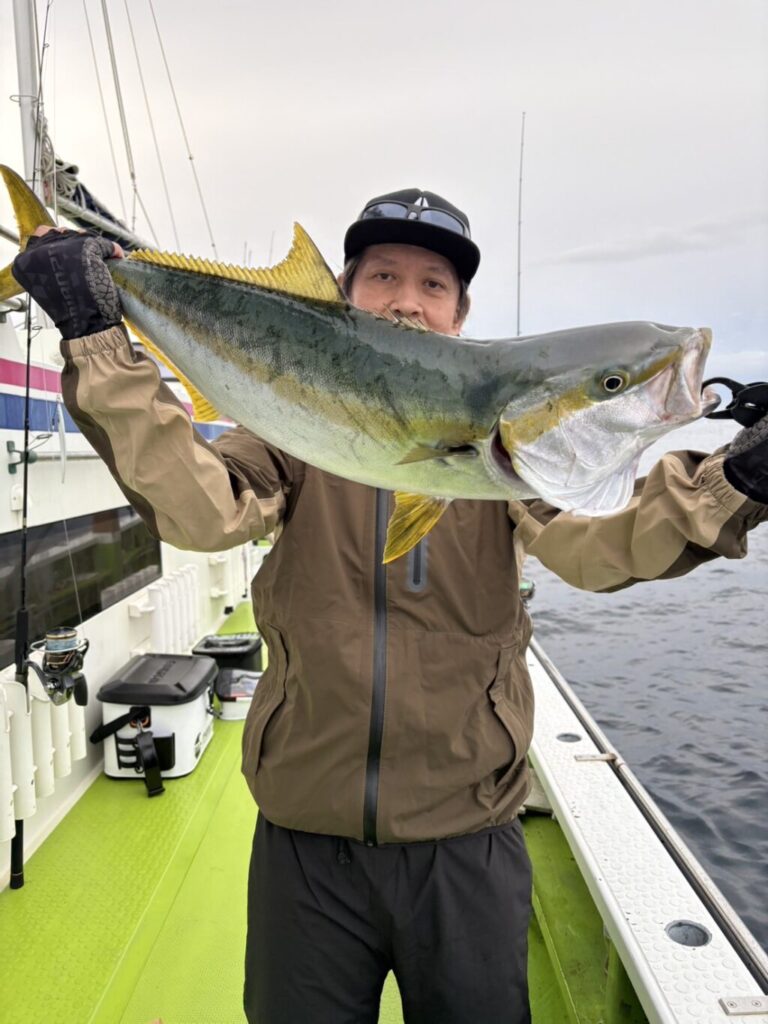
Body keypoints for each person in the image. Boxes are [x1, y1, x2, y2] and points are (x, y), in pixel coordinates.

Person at [12, 188, 768, 1024]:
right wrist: (98, 341)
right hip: (306, 837)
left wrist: (734, 483)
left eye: (433, 284)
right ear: (341, 293)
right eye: (382, 277)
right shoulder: (286, 431)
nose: (407, 300)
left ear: (461, 316)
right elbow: (201, 511)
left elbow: (598, 550)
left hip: (467, 839)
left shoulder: (511, 467)